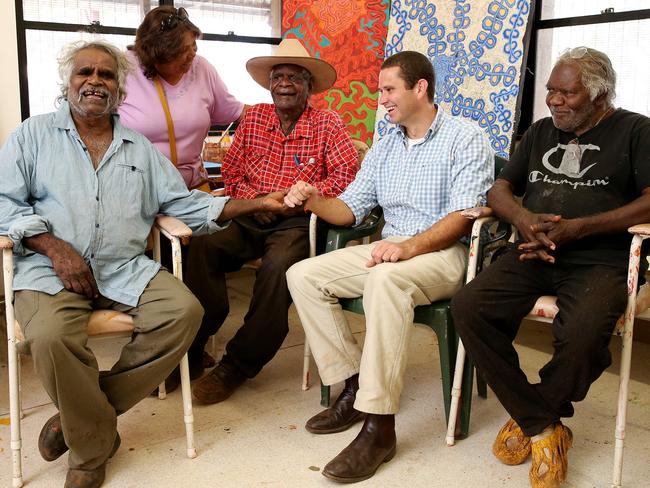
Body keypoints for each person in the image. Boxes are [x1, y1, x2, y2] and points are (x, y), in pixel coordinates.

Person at [0, 40, 284, 488]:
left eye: (106, 75)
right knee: (51, 336)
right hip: (49, 267)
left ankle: (81, 417)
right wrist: (56, 248)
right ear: (68, 82)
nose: (95, 81)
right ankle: (91, 451)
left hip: (122, 266)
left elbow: (184, 204)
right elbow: (4, 204)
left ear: (119, 88)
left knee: (184, 312)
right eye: (84, 73)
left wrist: (254, 203)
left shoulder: (139, 148)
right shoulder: (32, 136)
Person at [284, 51, 493, 483]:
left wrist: (411, 247)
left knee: (385, 279)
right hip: (393, 249)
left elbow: (464, 217)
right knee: (302, 275)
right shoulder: (386, 144)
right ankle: (354, 384)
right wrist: (313, 199)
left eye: (388, 89)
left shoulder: (465, 137)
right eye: (381, 91)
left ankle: (379, 427)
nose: (381, 100)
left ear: (420, 88)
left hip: (446, 253)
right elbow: (351, 210)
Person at [451, 47, 650, 488]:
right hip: (532, 250)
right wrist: (523, 220)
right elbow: (499, 188)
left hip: (599, 259)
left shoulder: (636, 130)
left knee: (582, 335)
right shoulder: (541, 132)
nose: (555, 101)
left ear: (599, 95)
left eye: (568, 93)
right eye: (550, 91)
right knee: (468, 307)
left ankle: (533, 416)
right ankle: (542, 426)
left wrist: (582, 229)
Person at [187, 38, 359, 405]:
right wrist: (253, 201)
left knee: (278, 268)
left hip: (298, 221)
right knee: (202, 243)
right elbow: (231, 168)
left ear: (309, 86)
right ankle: (195, 341)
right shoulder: (254, 117)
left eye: (295, 77)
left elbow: (348, 175)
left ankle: (238, 364)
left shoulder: (327, 123)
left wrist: (308, 195)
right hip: (253, 212)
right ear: (269, 84)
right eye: (278, 76)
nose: (285, 83)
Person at [119, 5, 247, 191]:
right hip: (137, 190)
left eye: (194, 45)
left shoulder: (201, 67)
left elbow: (237, 111)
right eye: (182, 51)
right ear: (157, 55)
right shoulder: (122, 68)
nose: (192, 54)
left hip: (191, 188)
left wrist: (285, 115)